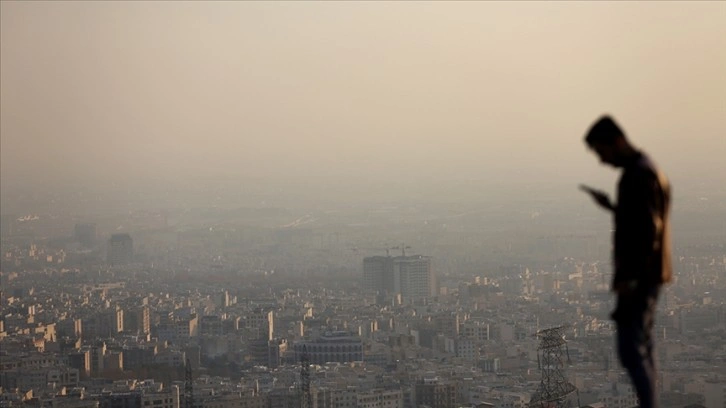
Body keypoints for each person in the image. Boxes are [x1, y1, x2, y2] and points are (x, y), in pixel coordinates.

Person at [581, 115, 672, 408]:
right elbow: (642, 221)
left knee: (631, 349)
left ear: (616, 142)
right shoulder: (646, 170)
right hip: (646, 274)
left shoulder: (638, 175)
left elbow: (649, 230)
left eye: (601, 152)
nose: (602, 161)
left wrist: (632, 279)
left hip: (640, 277)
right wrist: (614, 208)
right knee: (641, 345)